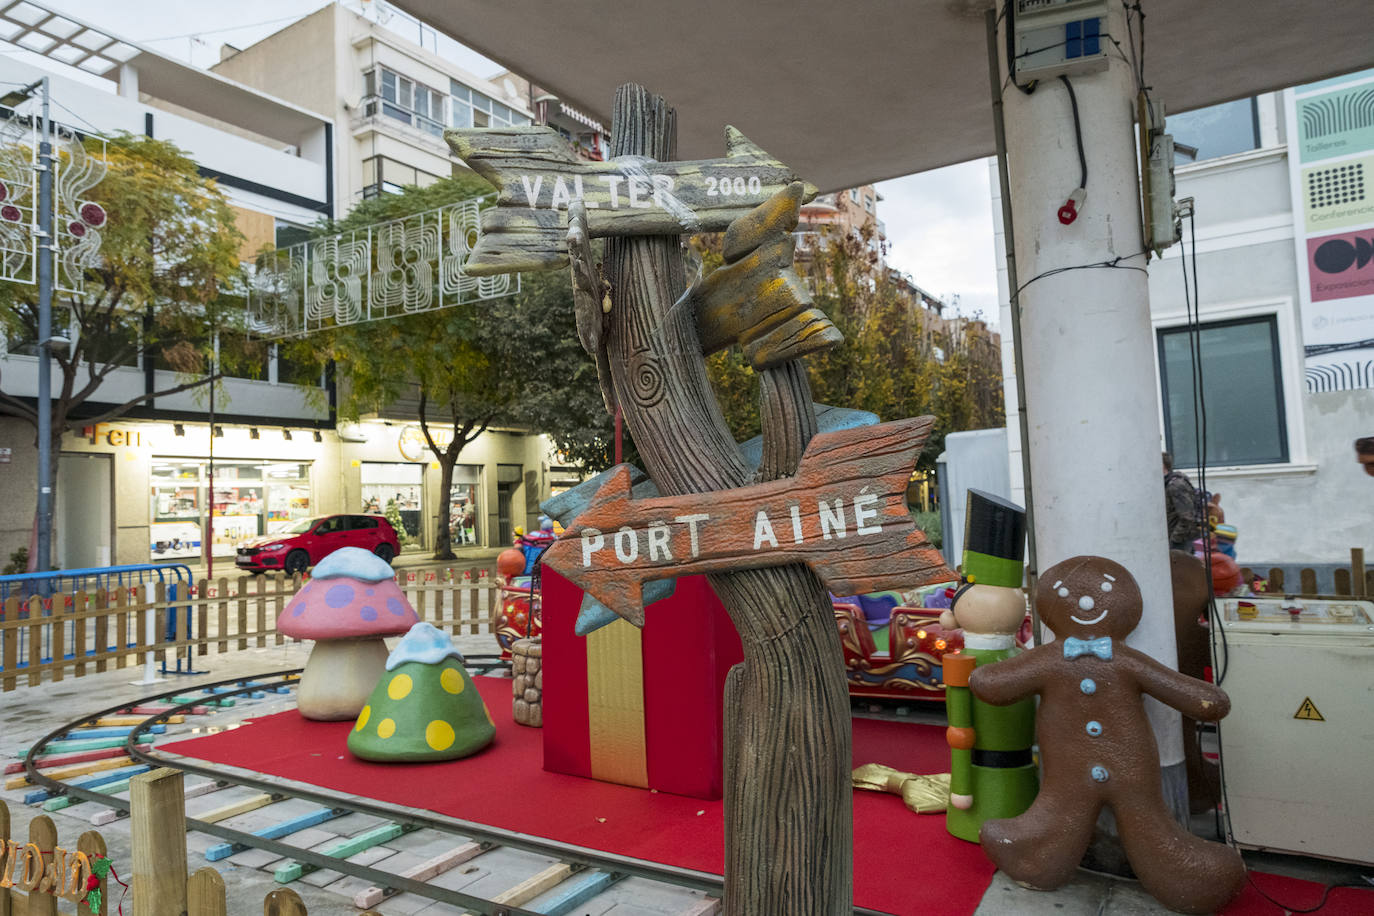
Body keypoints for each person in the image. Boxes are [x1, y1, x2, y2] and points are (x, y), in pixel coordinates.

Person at [1163, 452, 1203, 552]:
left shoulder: (1175, 486)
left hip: (1181, 543)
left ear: (1162, 465)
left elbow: (1187, 517)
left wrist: (1175, 540)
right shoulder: (1166, 484)